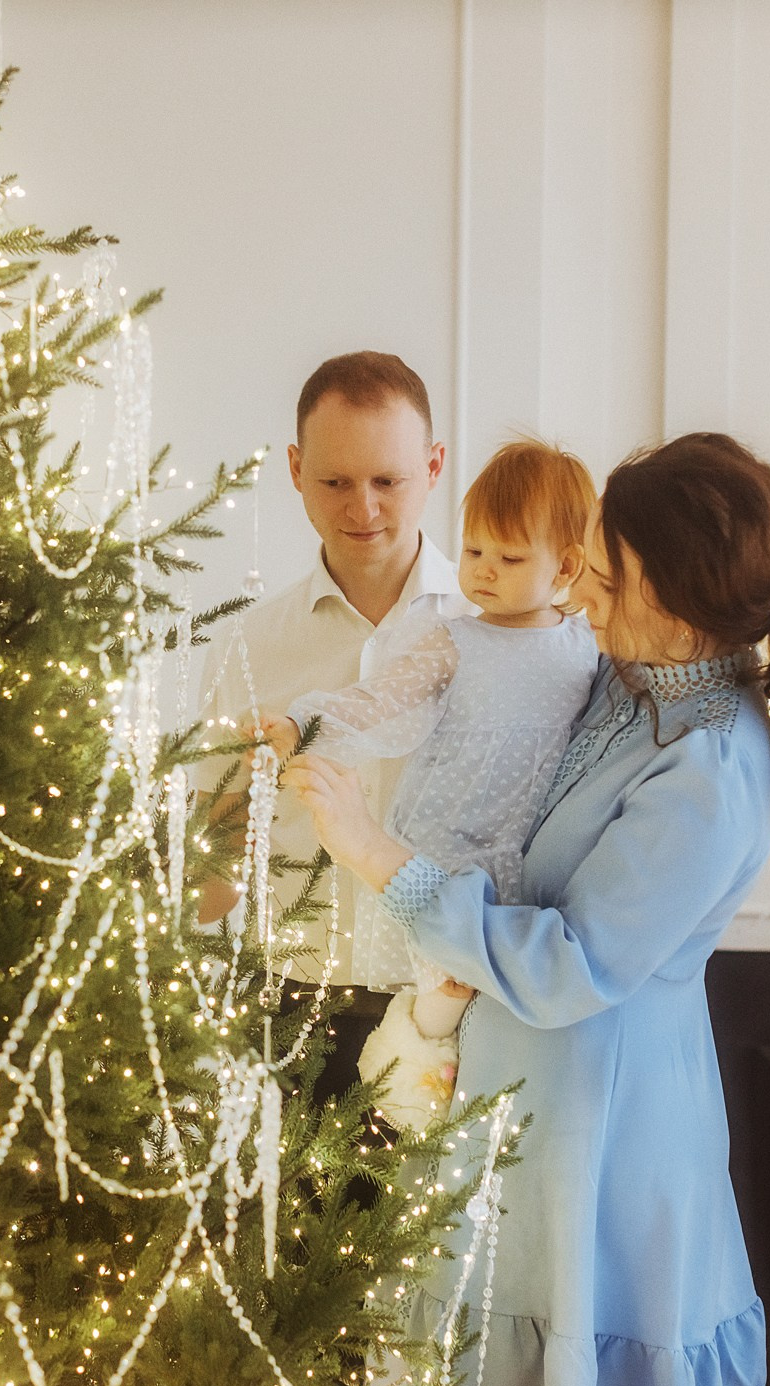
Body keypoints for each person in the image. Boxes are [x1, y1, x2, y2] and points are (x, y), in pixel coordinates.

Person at [283, 433, 770, 1386]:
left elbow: (569, 966)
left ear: (680, 599)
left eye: (602, 576)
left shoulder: (710, 763)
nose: (579, 597)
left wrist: (375, 853)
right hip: (514, 1121)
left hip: (603, 1141)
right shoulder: (624, 682)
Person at [256, 440, 599, 1131]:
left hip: (529, 846)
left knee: (501, 1009)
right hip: (450, 835)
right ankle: (403, 1099)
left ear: (564, 566)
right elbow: (379, 698)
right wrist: (304, 721)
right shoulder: (454, 639)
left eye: (509, 559)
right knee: (443, 984)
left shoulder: (587, 647)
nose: (484, 573)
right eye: (474, 552)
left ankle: (444, 1119)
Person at [196, 351, 471, 1100]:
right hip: (290, 1023)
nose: (364, 508)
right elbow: (206, 890)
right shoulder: (249, 649)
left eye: (388, 480)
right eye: (335, 481)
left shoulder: (497, 636)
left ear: (435, 465)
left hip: (463, 1017)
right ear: (293, 468)